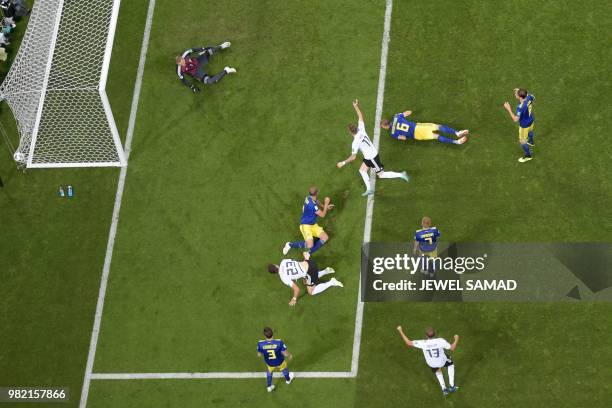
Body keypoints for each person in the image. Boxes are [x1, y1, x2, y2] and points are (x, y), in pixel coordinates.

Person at [337, 100, 409, 196]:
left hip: (372, 157)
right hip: (369, 155)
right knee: (362, 170)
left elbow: (353, 157)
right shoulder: (361, 129)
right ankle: (369, 189)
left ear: (350, 132)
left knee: (381, 175)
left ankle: (401, 174)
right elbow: (360, 116)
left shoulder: (355, 142)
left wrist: (343, 162)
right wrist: (355, 106)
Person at [396, 325, 460, 396]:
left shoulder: (423, 343)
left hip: (431, 363)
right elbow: (452, 348)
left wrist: (400, 330)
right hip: (442, 361)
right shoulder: (441, 341)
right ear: (435, 333)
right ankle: (451, 386)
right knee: (450, 364)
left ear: (426, 335)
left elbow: (408, 343)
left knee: (437, 370)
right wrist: (456, 339)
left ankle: (444, 389)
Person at [283, 186, 333, 259]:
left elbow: (316, 201)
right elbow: (322, 215)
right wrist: (326, 204)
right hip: (305, 226)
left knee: (325, 237)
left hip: (313, 225)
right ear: (317, 193)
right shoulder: (312, 206)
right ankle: (290, 245)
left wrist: (323, 206)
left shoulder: (309, 198)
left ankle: (308, 253)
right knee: (310, 245)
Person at [268, 258, 343, 306]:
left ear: (275, 273)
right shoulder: (283, 261)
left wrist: (294, 298)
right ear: (276, 265)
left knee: (311, 292)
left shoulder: (283, 278)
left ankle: (332, 282)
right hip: (310, 262)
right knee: (309, 278)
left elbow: (297, 289)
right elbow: (297, 265)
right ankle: (326, 271)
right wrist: (304, 278)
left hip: (310, 270)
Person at [380, 110, 468, 145]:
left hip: (416, 135)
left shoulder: (393, 133)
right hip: (418, 126)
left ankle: (456, 142)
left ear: (385, 126)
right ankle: (457, 133)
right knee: (437, 127)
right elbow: (409, 112)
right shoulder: (396, 117)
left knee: (436, 136)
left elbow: (403, 138)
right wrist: (400, 114)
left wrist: (407, 135)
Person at [257, 327, 294, 392]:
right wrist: (290, 355)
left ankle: (269, 387)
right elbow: (285, 354)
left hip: (269, 363)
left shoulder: (260, 344)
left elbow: (259, 355)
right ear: (272, 334)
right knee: (284, 369)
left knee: (269, 372)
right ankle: (288, 380)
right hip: (279, 362)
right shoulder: (279, 342)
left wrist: (265, 350)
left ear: (264, 335)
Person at [503, 88, 535, 162]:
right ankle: (531, 141)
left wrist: (508, 109)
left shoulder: (520, 107)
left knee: (522, 141)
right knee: (530, 130)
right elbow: (532, 96)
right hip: (531, 119)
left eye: (516, 94)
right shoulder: (529, 97)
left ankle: (528, 156)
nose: (515, 94)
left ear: (520, 97)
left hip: (524, 125)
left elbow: (515, 119)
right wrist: (520, 91)